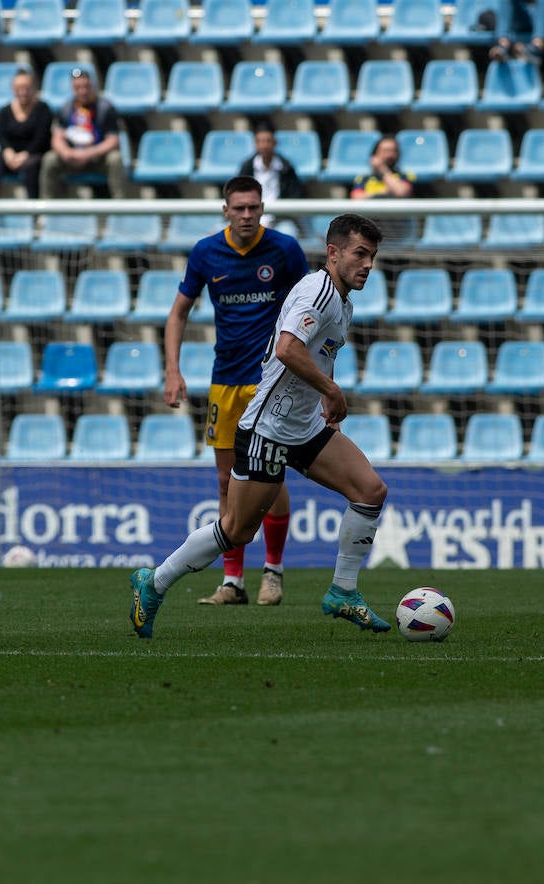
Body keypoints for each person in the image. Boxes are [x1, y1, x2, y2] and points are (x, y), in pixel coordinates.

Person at [131, 213, 392, 638]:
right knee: (236, 530)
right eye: (360, 254)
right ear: (333, 252)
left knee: (370, 492)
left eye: (372, 257)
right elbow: (288, 349)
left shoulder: (342, 302)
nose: (367, 265)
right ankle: (154, 582)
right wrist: (332, 390)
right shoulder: (318, 292)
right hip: (267, 430)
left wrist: (326, 409)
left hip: (305, 427)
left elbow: (316, 355)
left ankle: (343, 591)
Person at [162, 176, 310, 606]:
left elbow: (310, 309)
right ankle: (232, 582)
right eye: (239, 208)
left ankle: (273, 572)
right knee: (227, 481)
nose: (246, 215)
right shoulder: (206, 252)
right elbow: (178, 314)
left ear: (263, 208)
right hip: (224, 381)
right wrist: (172, 370)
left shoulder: (285, 250)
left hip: (271, 381)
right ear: (225, 211)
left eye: (253, 207)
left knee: (269, 476)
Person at [38, 67, 131, 200]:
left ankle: (121, 206)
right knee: (50, 159)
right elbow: (57, 137)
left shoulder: (105, 108)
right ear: (73, 88)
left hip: (97, 158)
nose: (83, 91)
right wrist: (66, 153)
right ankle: (46, 207)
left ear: (92, 86)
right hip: (72, 158)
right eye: (78, 87)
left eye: (86, 87)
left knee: (115, 159)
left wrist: (88, 153)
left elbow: (113, 140)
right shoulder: (66, 108)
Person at [0, 68, 51, 199]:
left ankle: (33, 204)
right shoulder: (5, 111)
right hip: (11, 155)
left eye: (26, 88)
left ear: (33, 88)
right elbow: (2, 137)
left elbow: (42, 137)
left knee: (33, 165)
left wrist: (26, 154)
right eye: (19, 88)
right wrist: (8, 152)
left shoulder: (43, 109)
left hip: (33, 154)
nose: (23, 92)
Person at [238, 122, 304, 227]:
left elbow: (294, 196)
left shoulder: (286, 168)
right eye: (260, 141)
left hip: (280, 219)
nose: (264, 145)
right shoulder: (247, 168)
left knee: (289, 232)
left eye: (268, 141)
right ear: (255, 144)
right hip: (251, 218)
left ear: (275, 143)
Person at [350, 136, 414, 200]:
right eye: (385, 151)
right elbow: (357, 197)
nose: (389, 155)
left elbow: (402, 193)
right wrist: (386, 192)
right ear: (375, 154)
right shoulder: (363, 178)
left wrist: (383, 170)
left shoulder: (405, 176)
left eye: (394, 151)